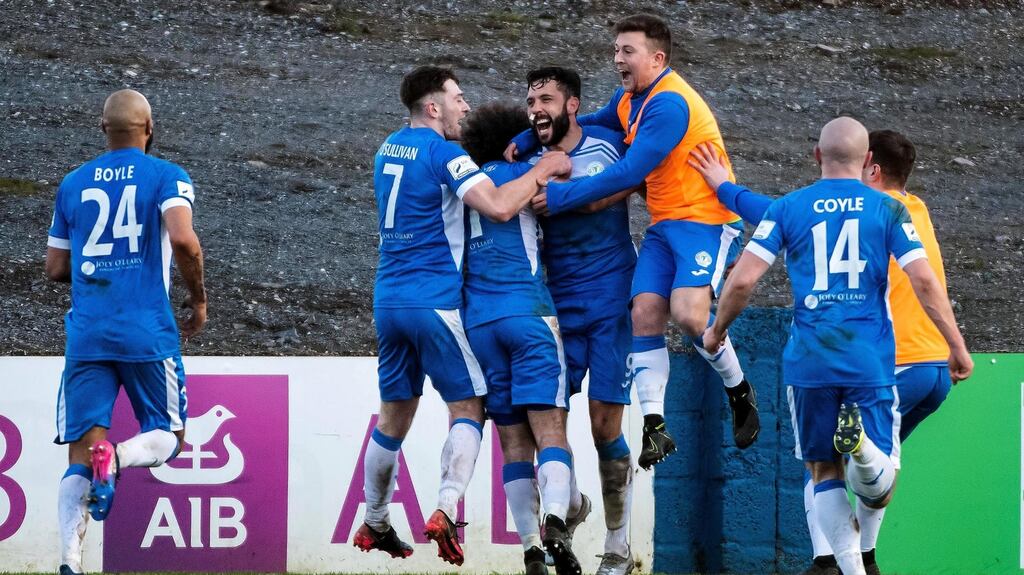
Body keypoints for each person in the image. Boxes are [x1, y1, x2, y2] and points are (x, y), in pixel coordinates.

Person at [700, 117, 973, 575]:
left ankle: (842, 565)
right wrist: (956, 344)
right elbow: (923, 279)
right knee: (878, 487)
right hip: (869, 359)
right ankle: (863, 445)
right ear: (867, 162)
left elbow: (744, 280)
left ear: (815, 157)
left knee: (822, 470)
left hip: (809, 361)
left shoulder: (789, 208)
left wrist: (717, 330)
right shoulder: (892, 210)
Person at [510, 14, 758, 467]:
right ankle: (655, 427)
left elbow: (628, 172)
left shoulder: (668, 105)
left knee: (686, 315)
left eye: (628, 51)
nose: (618, 59)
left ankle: (739, 388)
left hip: (705, 221)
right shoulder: (628, 98)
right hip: (664, 225)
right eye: (616, 50)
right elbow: (585, 118)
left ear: (657, 57)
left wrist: (561, 195)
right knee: (643, 311)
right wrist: (530, 134)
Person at [356, 66, 569, 566]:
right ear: (434, 108)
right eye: (458, 98)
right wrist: (541, 170)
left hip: (387, 300)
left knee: (393, 417)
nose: (465, 107)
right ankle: (446, 507)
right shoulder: (445, 153)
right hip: (435, 301)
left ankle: (376, 519)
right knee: (469, 409)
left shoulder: (387, 147)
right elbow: (496, 206)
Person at [45, 89, 207, 575]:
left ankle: (70, 561)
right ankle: (115, 458)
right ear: (150, 128)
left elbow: (55, 267)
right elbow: (182, 238)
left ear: (103, 128)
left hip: (88, 334)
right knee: (170, 436)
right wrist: (198, 298)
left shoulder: (72, 184)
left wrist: (100, 271)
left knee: (79, 453)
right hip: (146, 331)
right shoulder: (167, 176)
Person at [520, 66, 637, 575]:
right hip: (555, 304)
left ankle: (617, 545)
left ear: (572, 104)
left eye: (546, 99)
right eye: (530, 102)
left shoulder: (610, 142)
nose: (536, 109)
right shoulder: (523, 155)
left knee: (604, 424)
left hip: (612, 299)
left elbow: (632, 182)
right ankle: (568, 508)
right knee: (547, 423)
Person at [459, 101, 581, 575]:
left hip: (480, 324)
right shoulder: (528, 171)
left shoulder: (462, 185)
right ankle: (555, 522)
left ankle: (531, 547)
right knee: (550, 432)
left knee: (513, 445)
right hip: (529, 314)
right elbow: (568, 168)